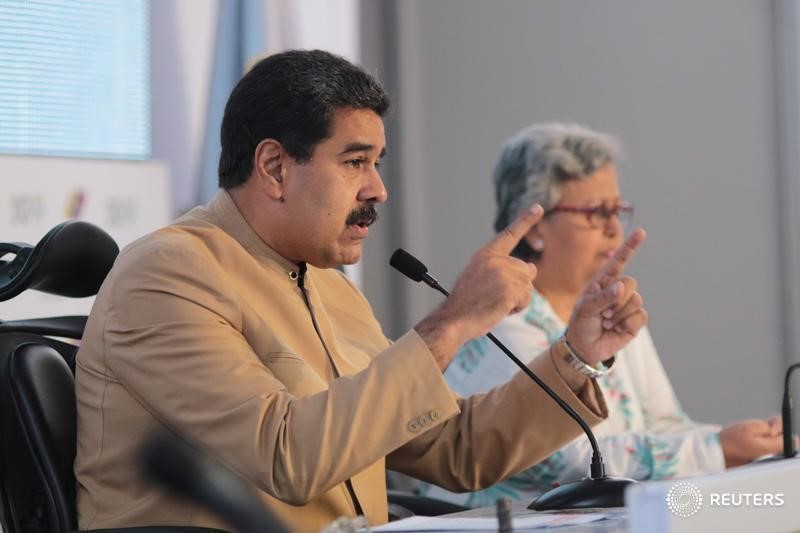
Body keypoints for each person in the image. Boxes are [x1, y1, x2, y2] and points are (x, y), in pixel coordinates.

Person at [74, 52, 648, 531]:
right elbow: (286, 457)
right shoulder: (168, 274)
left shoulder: (329, 284)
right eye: (355, 162)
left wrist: (576, 356)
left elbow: (454, 451)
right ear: (274, 167)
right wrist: (450, 324)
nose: (378, 189)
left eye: (377, 163)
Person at [418, 122, 783, 508]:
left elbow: (663, 425)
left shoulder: (607, 312)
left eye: (618, 210)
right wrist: (718, 449)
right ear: (537, 228)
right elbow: (560, 459)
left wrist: (749, 442)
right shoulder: (498, 319)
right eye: (596, 212)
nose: (613, 229)